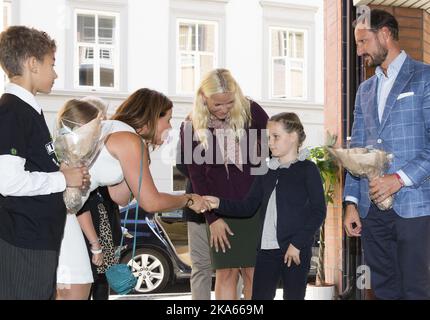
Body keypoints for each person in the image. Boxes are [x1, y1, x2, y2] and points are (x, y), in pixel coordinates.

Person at [55, 89, 208, 298]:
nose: (169, 128)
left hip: (66, 211)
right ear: (152, 117)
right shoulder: (128, 139)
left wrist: (141, 161)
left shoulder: (119, 132)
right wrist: (189, 199)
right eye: (168, 119)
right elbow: (151, 203)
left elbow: (120, 196)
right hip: (61, 213)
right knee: (75, 293)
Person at [344, 9, 430, 299]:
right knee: (383, 290)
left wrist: (398, 179)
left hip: (416, 206)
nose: (359, 51)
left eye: (363, 42)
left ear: (385, 35)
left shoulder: (425, 77)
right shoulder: (364, 90)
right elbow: (357, 150)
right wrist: (352, 202)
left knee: (416, 290)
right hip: (373, 211)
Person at [0, 26, 89, 300]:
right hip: (25, 242)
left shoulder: (25, 110)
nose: (55, 73)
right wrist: (64, 179)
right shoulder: (14, 111)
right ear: (31, 63)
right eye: (51, 64)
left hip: (36, 240)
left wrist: (62, 173)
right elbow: (7, 181)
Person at [201, 112, 326, 300]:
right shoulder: (266, 170)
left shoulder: (308, 169)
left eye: (276, 137)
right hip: (266, 251)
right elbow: (248, 206)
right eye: (268, 138)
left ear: (293, 137)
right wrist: (218, 203)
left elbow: (318, 211)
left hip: (294, 251)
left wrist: (297, 244)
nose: (271, 142)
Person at [179, 68, 268, 300]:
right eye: (216, 105)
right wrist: (213, 218)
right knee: (226, 273)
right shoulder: (190, 126)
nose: (223, 109)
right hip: (219, 208)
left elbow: (273, 148)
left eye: (229, 103)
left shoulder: (252, 112)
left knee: (253, 273)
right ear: (203, 98)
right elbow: (196, 177)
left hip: (254, 207)